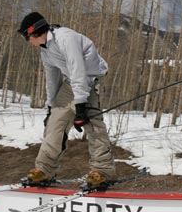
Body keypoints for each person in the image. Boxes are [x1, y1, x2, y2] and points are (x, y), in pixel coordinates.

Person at [17, 12, 115, 188]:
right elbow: (52, 79)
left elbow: (79, 70)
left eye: (26, 37)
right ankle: (44, 170)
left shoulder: (65, 39)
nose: (28, 42)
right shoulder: (45, 50)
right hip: (73, 82)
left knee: (92, 122)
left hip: (91, 78)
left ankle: (102, 170)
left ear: (34, 32)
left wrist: (80, 108)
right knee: (55, 122)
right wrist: (51, 106)